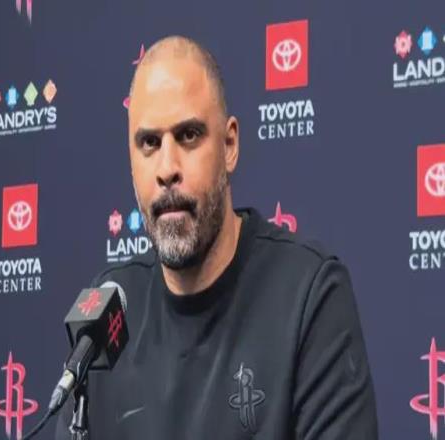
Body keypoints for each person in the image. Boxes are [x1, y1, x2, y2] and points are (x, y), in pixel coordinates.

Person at [56, 35, 378, 439]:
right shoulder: (108, 310)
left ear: (230, 145)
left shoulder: (308, 294)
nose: (167, 168)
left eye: (189, 135)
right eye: (149, 143)